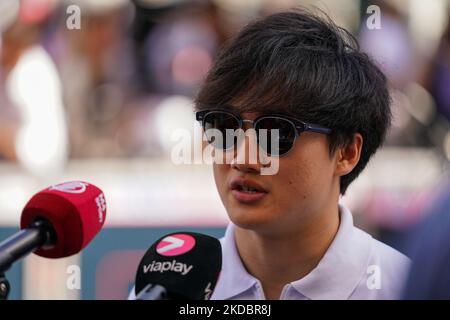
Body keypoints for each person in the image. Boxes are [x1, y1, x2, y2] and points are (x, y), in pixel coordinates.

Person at [194, 9, 409, 300]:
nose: (243, 158)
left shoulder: (404, 287)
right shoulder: (177, 286)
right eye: (223, 127)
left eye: (277, 133)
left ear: (347, 151)